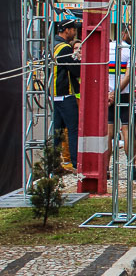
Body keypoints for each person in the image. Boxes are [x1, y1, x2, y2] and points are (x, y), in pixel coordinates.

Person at [108, 28, 136, 180]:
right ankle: (132, 169)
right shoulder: (130, 51)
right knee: (127, 130)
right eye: (131, 33)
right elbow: (129, 75)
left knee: (108, 132)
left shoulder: (106, 48)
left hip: (107, 95)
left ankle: (105, 170)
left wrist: (109, 94)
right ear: (123, 34)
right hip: (124, 94)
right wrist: (116, 92)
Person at [52, 19, 81, 172]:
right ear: (66, 30)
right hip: (65, 94)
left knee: (56, 132)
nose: (75, 33)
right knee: (73, 129)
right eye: (73, 30)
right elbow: (76, 71)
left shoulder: (51, 45)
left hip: (54, 94)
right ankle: (77, 163)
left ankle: (53, 165)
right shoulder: (64, 48)